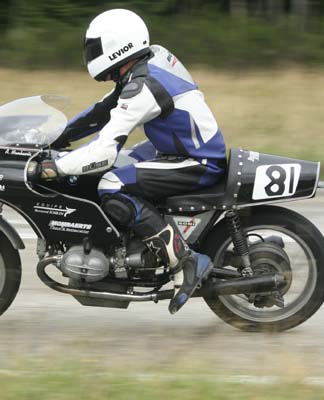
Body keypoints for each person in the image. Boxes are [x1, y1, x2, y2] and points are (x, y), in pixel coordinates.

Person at [36, 9, 227, 313]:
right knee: (121, 166)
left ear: (117, 46)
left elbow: (103, 151)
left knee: (111, 183)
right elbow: (102, 111)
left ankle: (185, 259)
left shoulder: (143, 86)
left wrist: (54, 167)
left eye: (95, 48)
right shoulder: (151, 60)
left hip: (196, 160)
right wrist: (57, 136)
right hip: (176, 147)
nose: (90, 54)